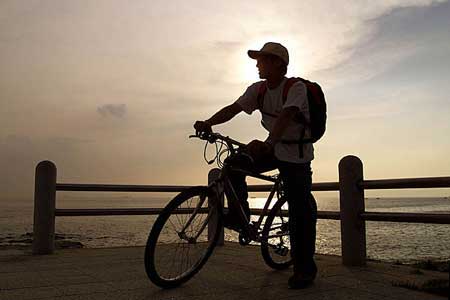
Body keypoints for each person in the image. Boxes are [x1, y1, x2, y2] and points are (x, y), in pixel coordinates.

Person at [193, 42, 318, 289]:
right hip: (271, 149)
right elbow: (234, 108)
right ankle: (242, 218)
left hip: (296, 156)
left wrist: (270, 142)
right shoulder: (258, 90)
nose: (258, 64)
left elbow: (286, 116)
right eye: (257, 60)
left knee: (300, 213)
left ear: (278, 64)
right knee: (233, 164)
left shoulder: (296, 88)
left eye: (262, 60)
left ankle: (305, 270)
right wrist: (209, 123)